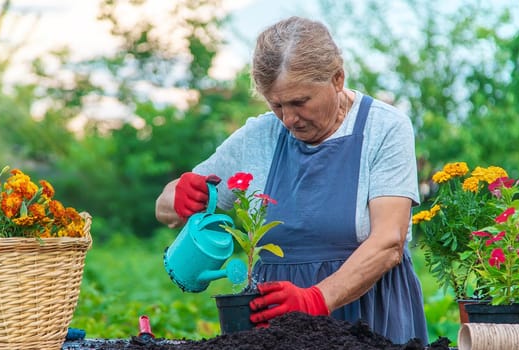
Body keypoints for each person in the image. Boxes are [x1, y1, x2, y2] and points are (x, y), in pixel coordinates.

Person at [155, 16, 428, 344]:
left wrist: (317, 298)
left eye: (300, 102)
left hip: (368, 318)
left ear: (337, 78)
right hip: (276, 326)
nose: (288, 119)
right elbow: (166, 209)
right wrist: (180, 194)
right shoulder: (259, 136)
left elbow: (388, 242)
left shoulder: (384, 128)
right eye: (277, 105)